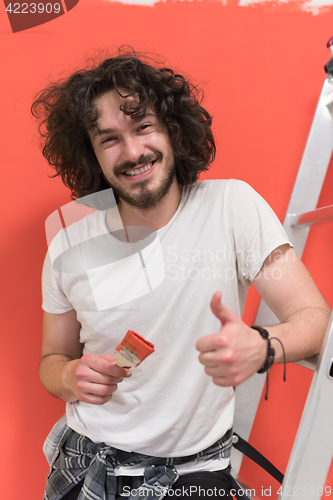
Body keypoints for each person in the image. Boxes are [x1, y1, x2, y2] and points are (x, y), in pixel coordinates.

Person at [32, 50, 330, 500]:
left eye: (143, 127)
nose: (133, 152)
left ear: (172, 129)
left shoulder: (232, 206)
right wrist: (71, 376)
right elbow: (50, 362)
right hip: (86, 464)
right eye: (109, 139)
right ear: (91, 152)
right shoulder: (67, 245)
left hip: (194, 475)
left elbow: (316, 319)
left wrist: (265, 346)